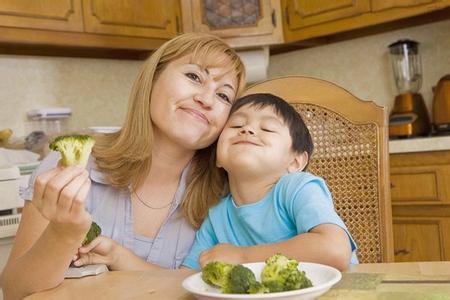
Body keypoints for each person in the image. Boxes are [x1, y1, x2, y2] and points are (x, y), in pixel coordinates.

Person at [1, 33, 246, 299]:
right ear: (152, 79)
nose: (207, 99)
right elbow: (16, 291)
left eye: (223, 96)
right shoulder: (71, 164)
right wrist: (64, 232)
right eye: (194, 77)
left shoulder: (229, 193)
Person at [182, 93, 358, 271]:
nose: (247, 130)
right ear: (217, 158)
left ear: (295, 162)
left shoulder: (297, 188)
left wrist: (243, 256)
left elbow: (335, 250)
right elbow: (187, 275)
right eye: (236, 125)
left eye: (267, 128)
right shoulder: (216, 215)